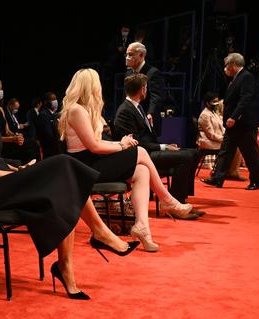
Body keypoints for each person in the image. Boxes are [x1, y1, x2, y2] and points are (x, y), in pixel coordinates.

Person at [0, 55, 138, 300]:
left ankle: (67, 265)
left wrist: (16, 171)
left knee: (66, 184)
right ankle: (99, 233)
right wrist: (14, 174)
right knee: (66, 164)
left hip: (2, 180)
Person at [59, 69, 194, 252]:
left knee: (142, 171)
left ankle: (142, 227)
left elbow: (97, 144)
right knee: (140, 151)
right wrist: (122, 145)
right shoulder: (76, 110)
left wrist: (120, 142)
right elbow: (94, 147)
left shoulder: (85, 109)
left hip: (92, 160)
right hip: (83, 166)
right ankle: (166, 200)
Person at [114, 73, 200, 209]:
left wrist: (150, 127)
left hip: (149, 149)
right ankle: (174, 201)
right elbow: (135, 143)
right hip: (142, 155)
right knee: (186, 157)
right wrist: (163, 147)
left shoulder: (137, 107)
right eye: (146, 87)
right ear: (142, 89)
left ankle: (182, 196)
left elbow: (145, 135)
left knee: (194, 152)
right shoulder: (125, 110)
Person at [202, 53, 259, 190]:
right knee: (225, 152)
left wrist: (234, 117)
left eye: (227, 65)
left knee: (250, 153)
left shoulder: (246, 77)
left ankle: (255, 181)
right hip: (233, 126)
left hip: (243, 124)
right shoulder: (236, 78)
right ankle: (217, 178)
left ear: (234, 64)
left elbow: (245, 100)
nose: (225, 68)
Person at [197, 93, 242, 178]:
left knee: (236, 145)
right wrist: (224, 139)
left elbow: (222, 128)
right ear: (207, 103)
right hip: (208, 142)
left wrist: (228, 136)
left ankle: (231, 172)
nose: (217, 103)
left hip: (217, 140)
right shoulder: (204, 115)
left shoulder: (215, 113)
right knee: (233, 147)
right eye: (214, 101)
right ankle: (229, 172)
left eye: (217, 101)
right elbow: (211, 135)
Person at [125, 42, 166, 135]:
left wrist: (150, 113)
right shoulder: (128, 74)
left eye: (130, 54)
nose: (127, 57)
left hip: (147, 119)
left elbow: (156, 97)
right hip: (131, 120)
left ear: (141, 55)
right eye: (126, 54)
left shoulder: (153, 73)